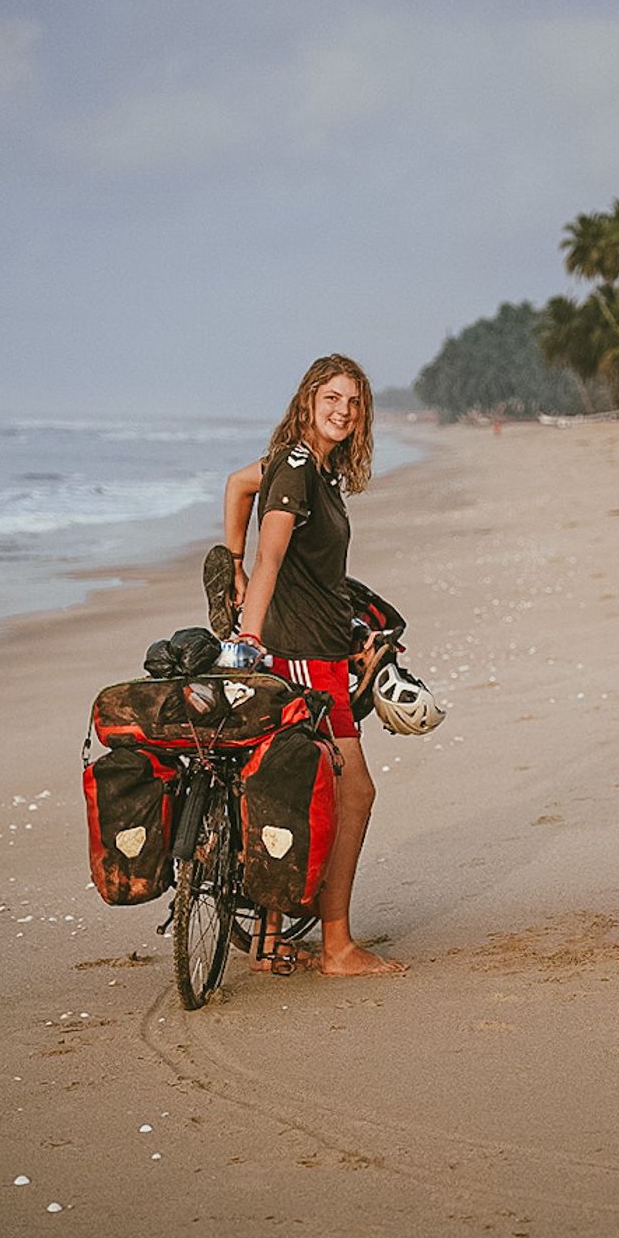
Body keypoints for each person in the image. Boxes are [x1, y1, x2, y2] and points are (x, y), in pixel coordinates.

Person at [228, 354, 404, 977]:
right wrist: (247, 621)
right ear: (308, 399)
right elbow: (273, 558)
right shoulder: (298, 467)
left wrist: (230, 565)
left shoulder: (311, 470)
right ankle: (337, 946)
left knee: (299, 789)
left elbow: (235, 483)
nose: (343, 411)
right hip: (300, 657)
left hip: (324, 649)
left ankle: (271, 941)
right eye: (332, 397)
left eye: (353, 403)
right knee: (355, 792)